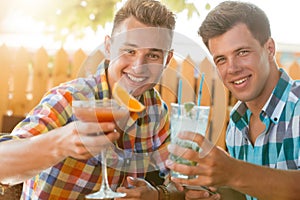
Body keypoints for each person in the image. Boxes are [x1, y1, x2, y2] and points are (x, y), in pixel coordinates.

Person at [0, 0, 185, 199]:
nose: (139, 66)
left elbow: (180, 181)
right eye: (129, 51)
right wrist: (60, 143)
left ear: (166, 60)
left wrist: (157, 194)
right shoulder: (70, 99)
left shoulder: (155, 110)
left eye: (153, 55)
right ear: (108, 47)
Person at [166, 1, 300, 200]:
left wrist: (232, 172)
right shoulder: (237, 125)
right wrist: (213, 190)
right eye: (221, 59)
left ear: (269, 48)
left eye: (242, 52)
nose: (232, 68)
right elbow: (248, 192)